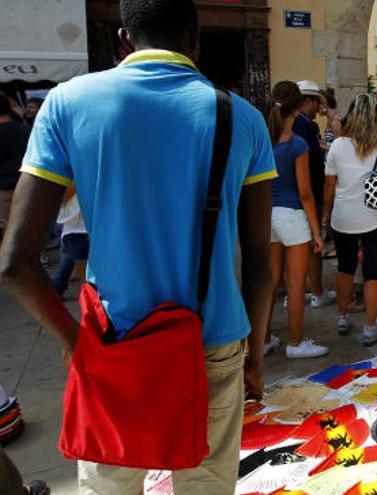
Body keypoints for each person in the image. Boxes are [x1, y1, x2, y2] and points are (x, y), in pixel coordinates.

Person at [0, 1, 275, 492]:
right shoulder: (245, 120)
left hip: (113, 345)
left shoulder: (67, 103)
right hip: (211, 342)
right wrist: (254, 354)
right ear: (194, 36)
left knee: (109, 483)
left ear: (124, 37)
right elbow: (258, 263)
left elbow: (14, 262)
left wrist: (75, 342)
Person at [324, 94, 377, 345]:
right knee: (372, 271)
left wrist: (325, 213)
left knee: (344, 267)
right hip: (373, 217)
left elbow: (329, 182)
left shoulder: (338, 145)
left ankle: (342, 317)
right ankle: (370, 328)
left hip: (343, 216)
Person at [266, 81, 329, 359]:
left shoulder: (263, 139)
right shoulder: (297, 144)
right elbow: (305, 193)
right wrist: (317, 231)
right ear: (299, 104)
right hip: (292, 216)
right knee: (295, 283)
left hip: (268, 215)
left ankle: (264, 338)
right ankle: (295, 341)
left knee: (270, 282)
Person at [295, 80, 335, 307]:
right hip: (308, 192)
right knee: (314, 244)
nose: (318, 109)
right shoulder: (307, 126)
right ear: (307, 101)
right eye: (316, 103)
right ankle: (317, 290)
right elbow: (311, 167)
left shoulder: (288, 124)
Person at [0, 96, 29, 239]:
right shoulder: (24, 128)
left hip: (4, 187)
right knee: (28, 222)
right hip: (26, 183)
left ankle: (9, 259)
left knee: (7, 226)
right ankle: (39, 257)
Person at [52, 187, 89, 296]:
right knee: (86, 277)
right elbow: (62, 199)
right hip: (76, 231)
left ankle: (58, 286)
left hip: (86, 229)